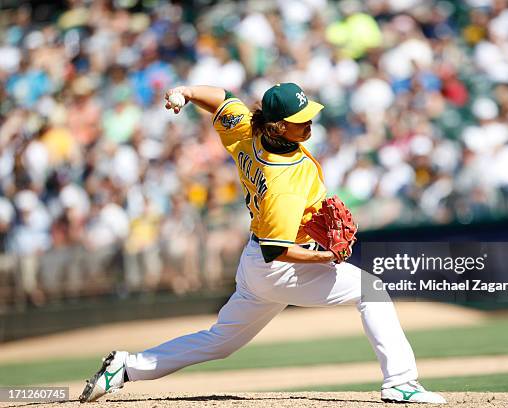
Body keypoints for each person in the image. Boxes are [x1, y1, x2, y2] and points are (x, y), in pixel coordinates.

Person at [79, 83, 446, 404]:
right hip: (279, 266)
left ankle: (126, 368)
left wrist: (187, 92)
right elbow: (277, 249)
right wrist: (325, 258)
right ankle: (401, 383)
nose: (310, 122)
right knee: (372, 290)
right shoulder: (282, 181)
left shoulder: (246, 130)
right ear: (278, 126)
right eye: (301, 118)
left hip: (256, 264)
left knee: (220, 341)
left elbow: (223, 98)